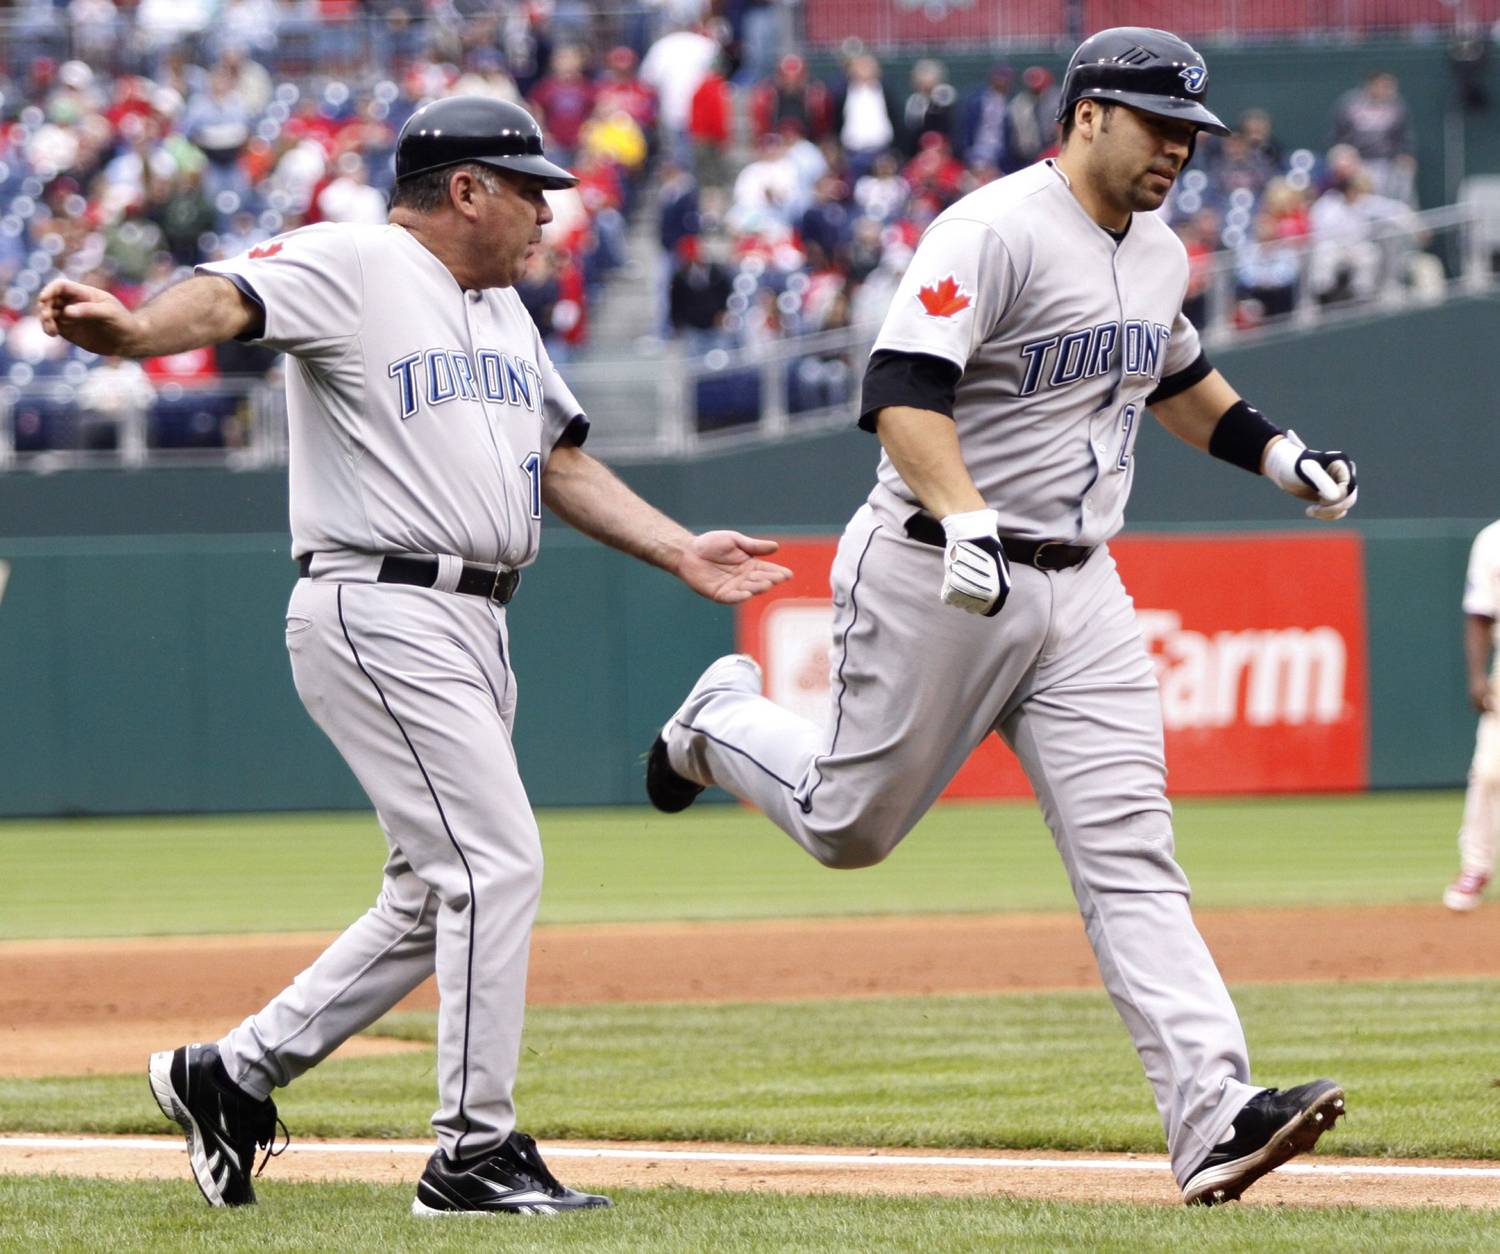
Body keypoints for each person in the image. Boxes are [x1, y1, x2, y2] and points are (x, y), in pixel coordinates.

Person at [37, 95, 791, 1217]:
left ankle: (230, 1075)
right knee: (496, 865)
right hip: (378, 599)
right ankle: (472, 1153)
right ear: (466, 190)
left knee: (433, 897)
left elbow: (559, 464)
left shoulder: (502, 313)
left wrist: (681, 550)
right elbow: (230, 293)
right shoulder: (357, 259)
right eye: (527, 186)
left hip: (477, 618)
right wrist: (137, 335)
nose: (547, 210)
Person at [644, 28, 1356, 1208]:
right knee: (848, 825)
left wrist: (1277, 452)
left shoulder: (1160, 249)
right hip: (939, 564)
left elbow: (1172, 377)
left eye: (1190, 130)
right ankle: (721, 723)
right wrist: (966, 512)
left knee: (1131, 849)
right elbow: (900, 390)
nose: (1179, 146)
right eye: (1155, 122)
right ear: (1085, 116)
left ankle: (1215, 1114)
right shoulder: (992, 229)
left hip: (1083, 585)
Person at [1443, 520, 1500, 912]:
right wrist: (1478, 676)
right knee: (1490, 771)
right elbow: (1479, 613)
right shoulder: (1492, 539)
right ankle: (1476, 867)